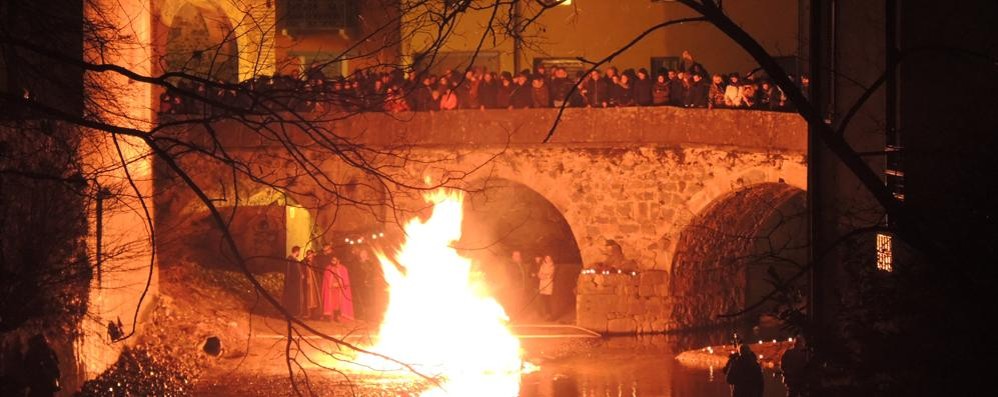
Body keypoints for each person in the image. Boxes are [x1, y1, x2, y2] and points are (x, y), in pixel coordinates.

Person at [322, 256, 354, 322]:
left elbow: (345, 280)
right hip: (331, 290)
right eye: (332, 260)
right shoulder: (328, 268)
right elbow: (326, 279)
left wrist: (339, 284)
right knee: (332, 303)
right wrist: (331, 284)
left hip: (339, 290)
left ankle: (337, 316)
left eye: (334, 260)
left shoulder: (343, 268)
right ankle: (330, 317)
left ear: (338, 260)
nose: (332, 261)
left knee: (339, 303)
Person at [282, 246, 303, 316]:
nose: (299, 253)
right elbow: (288, 272)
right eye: (299, 252)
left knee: (294, 297)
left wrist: (301, 275)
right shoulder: (290, 259)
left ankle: (293, 312)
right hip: (291, 283)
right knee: (291, 297)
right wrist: (289, 282)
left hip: (295, 283)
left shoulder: (295, 260)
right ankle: (289, 312)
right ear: (297, 251)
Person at [537, 255, 556, 321]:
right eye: (547, 258)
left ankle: (549, 315)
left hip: (548, 285)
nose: (548, 259)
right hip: (542, 285)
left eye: (549, 258)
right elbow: (539, 274)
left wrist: (544, 275)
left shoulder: (552, 266)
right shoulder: (542, 265)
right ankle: (544, 314)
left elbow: (550, 275)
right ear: (545, 258)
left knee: (548, 300)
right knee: (543, 300)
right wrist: (542, 275)